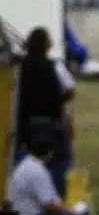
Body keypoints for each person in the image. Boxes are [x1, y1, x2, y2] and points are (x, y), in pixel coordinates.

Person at [16, 28, 72, 188]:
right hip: (50, 120)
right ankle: (52, 193)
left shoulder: (19, 67)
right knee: (61, 159)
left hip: (26, 122)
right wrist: (59, 101)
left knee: (29, 159)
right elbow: (69, 89)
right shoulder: (53, 65)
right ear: (47, 45)